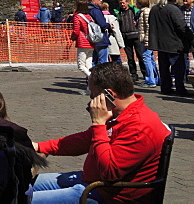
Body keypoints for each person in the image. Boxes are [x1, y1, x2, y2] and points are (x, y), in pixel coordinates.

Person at [32, 62, 170, 203]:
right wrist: (38, 146)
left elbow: (109, 172)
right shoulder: (122, 113)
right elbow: (84, 140)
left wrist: (98, 123)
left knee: (23, 198)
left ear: (108, 94)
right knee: (22, 182)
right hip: (92, 182)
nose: (91, 96)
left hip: (107, 194)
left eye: (93, 92)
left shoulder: (140, 126)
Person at [147, 0, 192, 97]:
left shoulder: (154, 9)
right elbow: (181, 26)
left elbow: (151, 23)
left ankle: (165, 88)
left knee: (164, 68)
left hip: (161, 44)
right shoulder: (173, 9)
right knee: (178, 68)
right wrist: (190, 36)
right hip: (174, 43)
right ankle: (180, 88)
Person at [114, 0, 143, 82]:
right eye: (120, 3)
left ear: (127, 2)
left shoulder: (134, 10)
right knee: (130, 58)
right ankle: (133, 74)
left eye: (123, 3)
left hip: (136, 36)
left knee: (140, 56)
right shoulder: (118, 12)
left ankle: (145, 73)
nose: (122, 5)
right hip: (125, 37)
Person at [70, 0, 95, 93]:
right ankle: (90, 89)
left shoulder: (77, 16)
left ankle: (93, 78)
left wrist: (72, 38)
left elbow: (76, 30)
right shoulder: (89, 16)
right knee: (88, 65)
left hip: (82, 42)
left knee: (81, 66)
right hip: (91, 42)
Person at [135, 0, 159, 87]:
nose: (136, 5)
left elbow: (148, 27)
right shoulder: (142, 12)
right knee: (151, 59)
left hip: (146, 39)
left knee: (146, 58)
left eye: (137, 3)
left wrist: (148, 40)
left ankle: (150, 80)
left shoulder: (146, 12)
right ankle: (156, 79)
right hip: (145, 38)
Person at [87, 0, 111, 65]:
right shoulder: (96, 11)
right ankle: (101, 76)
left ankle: (92, 75)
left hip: (91, 38)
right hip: (100, 38)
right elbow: (102, 24)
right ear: (93, 0)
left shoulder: (87, 10)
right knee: (103, 61)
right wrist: (109, 25)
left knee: (93, 60)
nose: (101, 1)